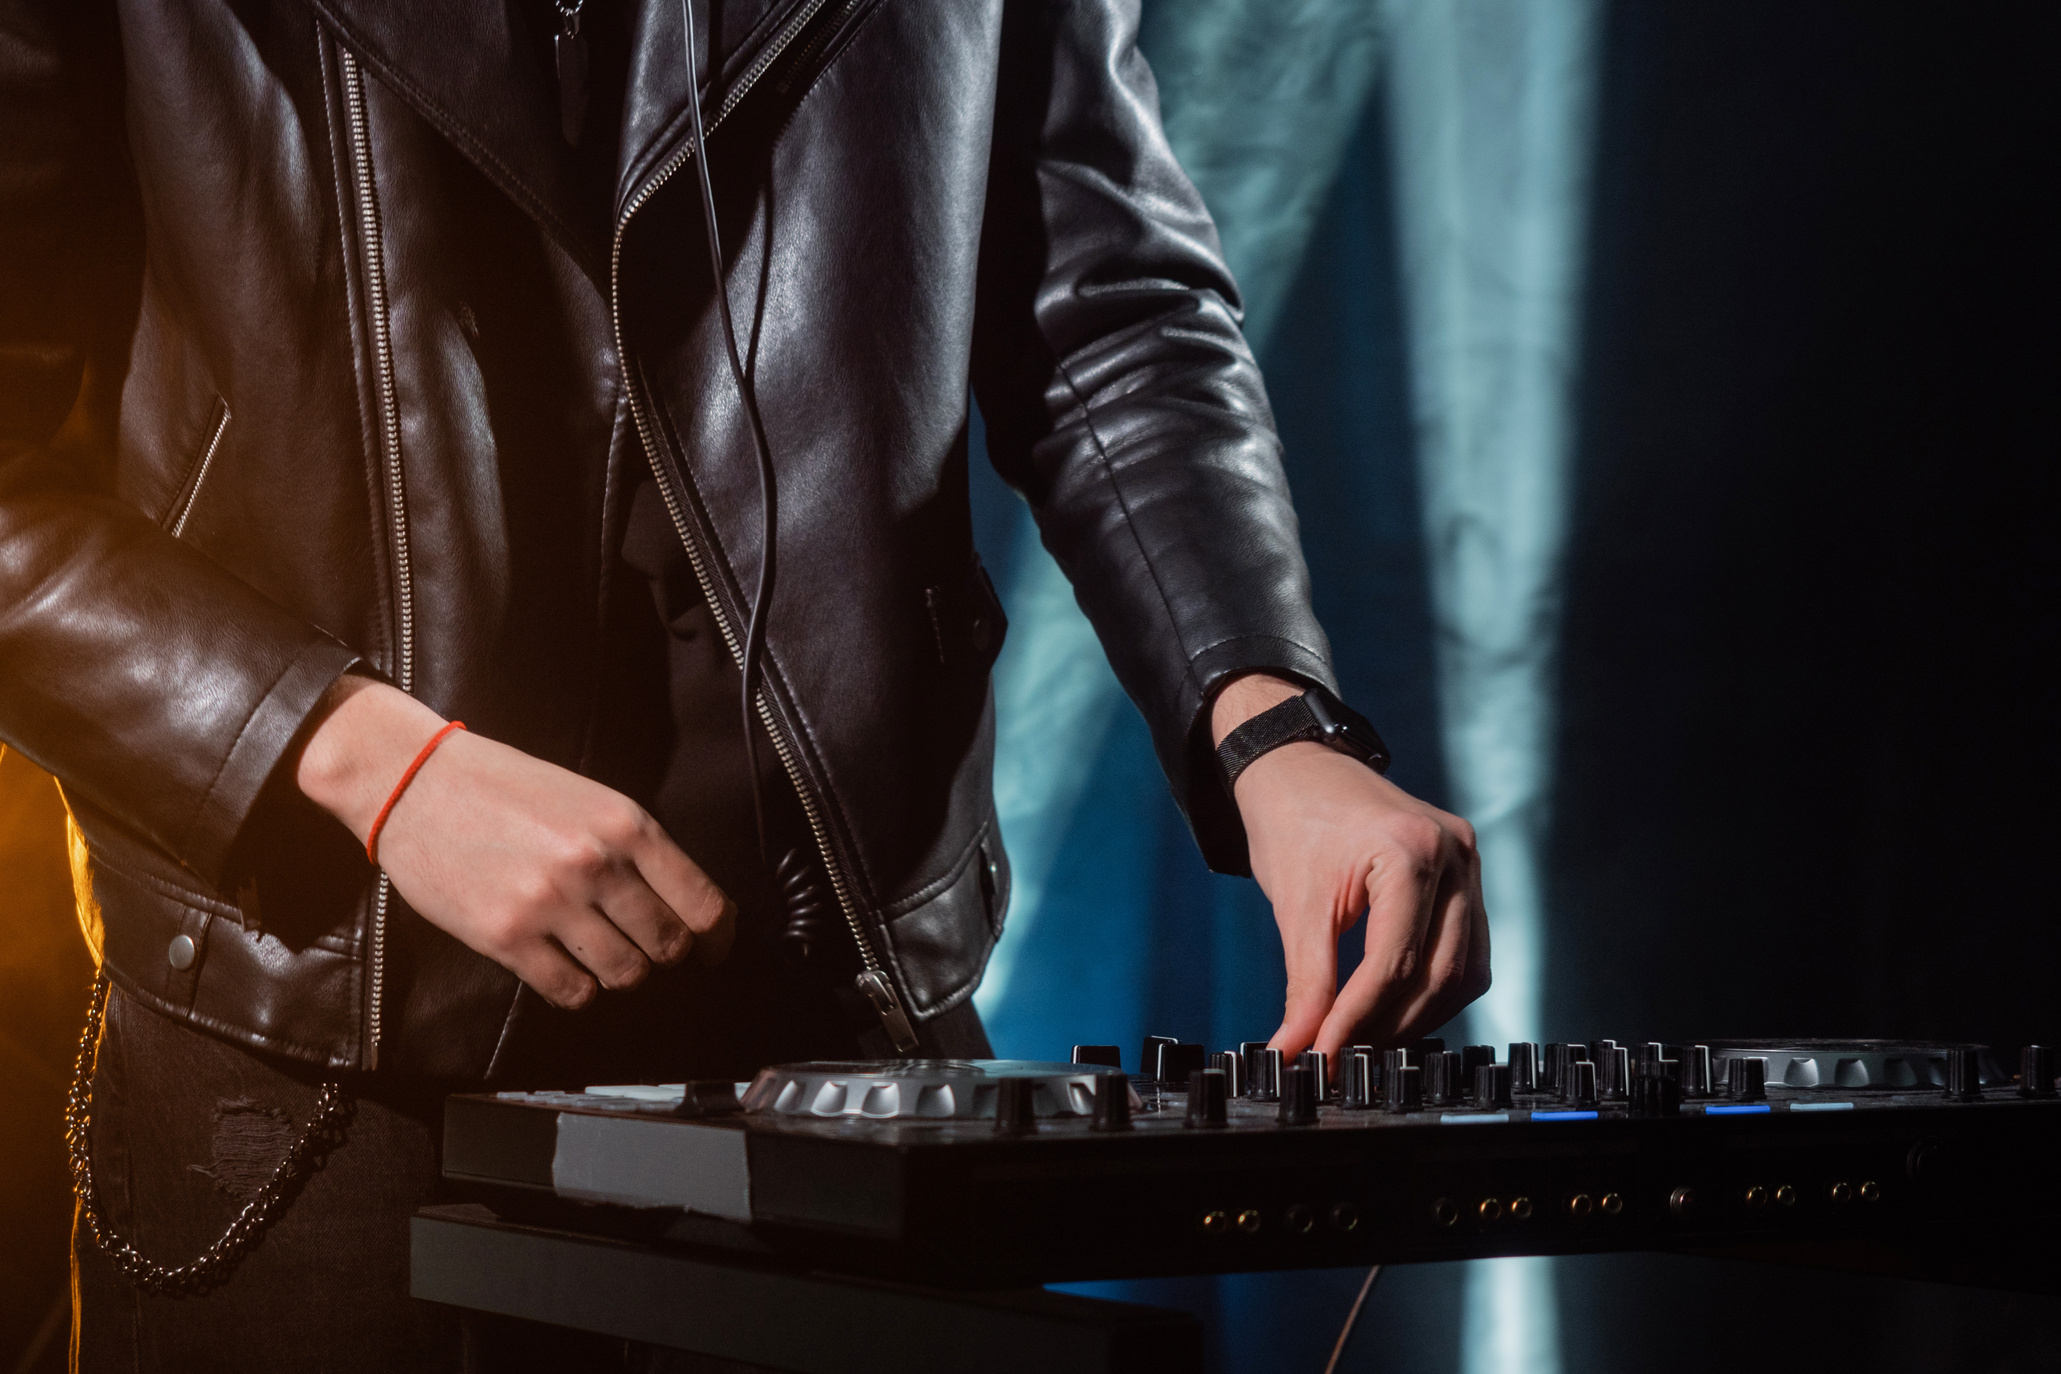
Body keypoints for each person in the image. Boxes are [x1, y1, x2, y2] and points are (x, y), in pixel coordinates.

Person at [0, 0, 1489, 1366]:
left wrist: (1275, 725)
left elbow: (1107, 310)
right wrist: (355, 751)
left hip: (833, 1017)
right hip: (319, 1059)